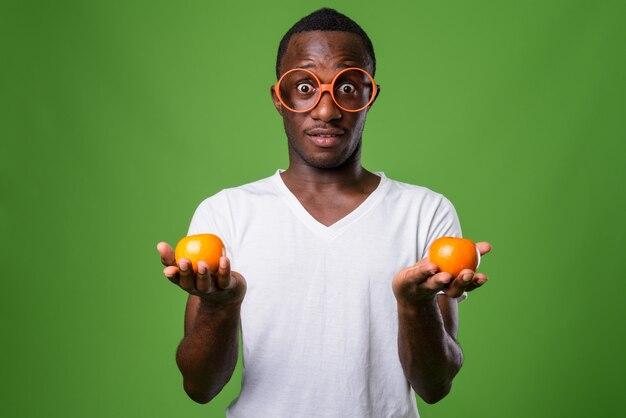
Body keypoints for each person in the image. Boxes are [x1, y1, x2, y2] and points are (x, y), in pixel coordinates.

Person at [157, 8, 491, 418]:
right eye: (304, 86)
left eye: (348, 87)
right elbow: (200, 388)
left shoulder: (425, 211)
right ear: (280, 99)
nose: (326, 110)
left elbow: (435, 386)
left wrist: (413, 305)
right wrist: (220, 306)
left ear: (371, 96)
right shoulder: (225, 212)